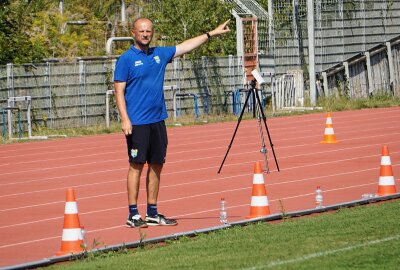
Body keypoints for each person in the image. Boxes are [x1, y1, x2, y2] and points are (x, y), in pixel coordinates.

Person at [114, 17, 230, 228]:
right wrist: (125, 119)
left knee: (157, 165)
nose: (145, 34)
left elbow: (186, 46)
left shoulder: (159, 54)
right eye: (141, 31)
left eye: (149, 30)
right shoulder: (126, 59)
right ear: (133, 33)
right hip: (137, 123)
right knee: (136, 166)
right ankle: (133, 214)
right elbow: (118, 91)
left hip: (158, 120)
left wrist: (211, 33)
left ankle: (152, 212)